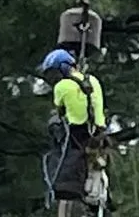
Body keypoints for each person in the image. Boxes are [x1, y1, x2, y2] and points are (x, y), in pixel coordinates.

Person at [41, 46, 106, 203]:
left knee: (56, 130)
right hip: (98, 133)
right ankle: (97, 192)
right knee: (91, 162)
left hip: (76, 131)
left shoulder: (61, 87)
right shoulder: (94, 80)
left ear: (63, 68)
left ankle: (66, 186)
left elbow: (60, 110)